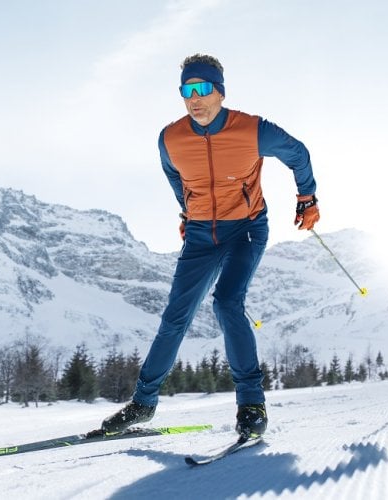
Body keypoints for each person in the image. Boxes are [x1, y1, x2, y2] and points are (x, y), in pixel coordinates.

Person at [101, 53, 319, 439]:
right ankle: (143, 403)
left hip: (246, 228)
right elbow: (174, 175)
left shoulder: (253, 130)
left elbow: (298, 153)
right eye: (186, 90)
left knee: (226, 302)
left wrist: (308, 198)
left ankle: (251, 405)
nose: (194, 98)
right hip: (202, 235)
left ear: (220, 91)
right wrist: (187, 212)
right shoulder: (170, 138)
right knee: (175, 317)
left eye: (202, 88)